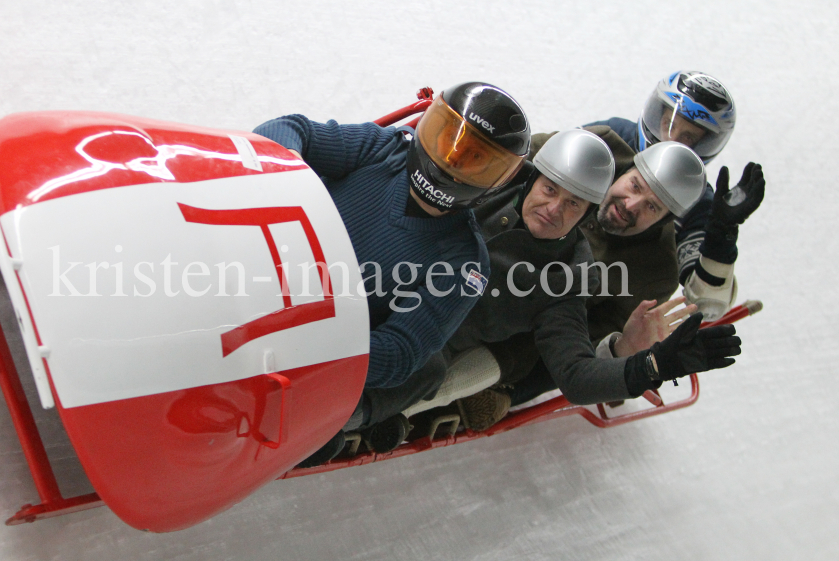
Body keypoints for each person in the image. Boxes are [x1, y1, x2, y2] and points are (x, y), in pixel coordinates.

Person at [353, 131, 743, 447]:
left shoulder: (601, 277)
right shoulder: (585, 148)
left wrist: (638, 358)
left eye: (652, 208)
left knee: (435, 369)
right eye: (635, 186)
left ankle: (384, 411)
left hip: (511, 331)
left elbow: (576, 361)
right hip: (404, 275)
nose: (632, 204)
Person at [253, 82, 532, 466]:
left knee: (424, 371)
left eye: (474, 159)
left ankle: (327, 426)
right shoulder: (385, 148)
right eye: (445, 138)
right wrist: (281, 179)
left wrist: (315, 343)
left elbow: (402, 352)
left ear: (497, 182)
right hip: (252, 273)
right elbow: (290, 129)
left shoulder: (463, 265)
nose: (450, 159)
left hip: (294, 354)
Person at [588, 70, 764, 321]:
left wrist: (721, 238)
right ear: (656, 114)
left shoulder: (698, 203)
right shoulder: (608, 136)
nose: (670, 139)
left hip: (601, 301)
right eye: (669, 123)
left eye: (688, 137)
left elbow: (707, 304)